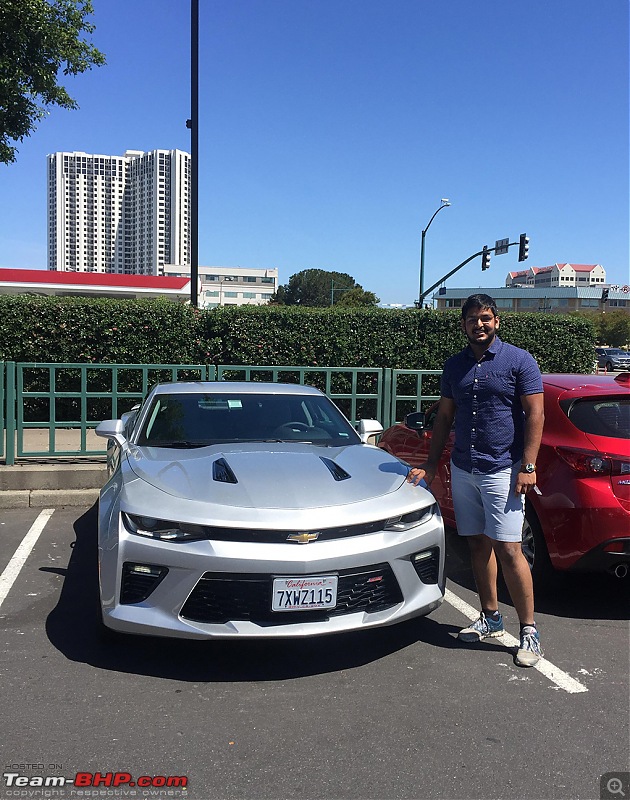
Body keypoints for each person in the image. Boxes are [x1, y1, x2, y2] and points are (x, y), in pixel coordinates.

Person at [408, 293, 545, 667]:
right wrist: (433, 464)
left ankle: (529, 632)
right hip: (465, 468)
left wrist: (528, 466)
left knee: (510, 549)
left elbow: (535, 414)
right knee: (477, 545)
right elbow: (444, 418)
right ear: (463, 325)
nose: (479, 325)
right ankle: (490, 616)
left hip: (503, 468)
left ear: (496, 321)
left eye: (485, 318)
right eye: (472, 320)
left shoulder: (519, 360)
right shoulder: (454, 367)